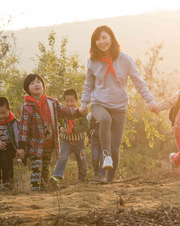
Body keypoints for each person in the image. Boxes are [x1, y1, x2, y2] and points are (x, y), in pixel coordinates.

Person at [79, 25, 158, 183]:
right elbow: (89, 85)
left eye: (104, 37)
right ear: (94, 43)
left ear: (111, 39)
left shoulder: (125, 59)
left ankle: (109, 181)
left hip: (120, 107)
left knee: (115, 149)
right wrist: (84, 103)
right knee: (105, 120)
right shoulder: (92, 61)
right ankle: (105, 157)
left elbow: (138, 82)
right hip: (98, 104)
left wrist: (150, 101)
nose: (101, 42)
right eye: (97, 39)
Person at [17, 74, 84, 192]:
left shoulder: (52, 102)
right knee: (36, 166)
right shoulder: (27, 107)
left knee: (46, 167)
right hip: (35, 144)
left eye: (38, 82)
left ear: (43, 85)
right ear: (28, 89)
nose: (36, 84)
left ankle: (44, 189)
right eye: (32, 83)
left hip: (49, 142)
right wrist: (21, 146)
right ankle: (35, 190)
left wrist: (78, 112)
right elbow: (24, 127)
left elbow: (65, 112)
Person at [52, 89, 88, 183]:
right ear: (64, 101)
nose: (69, 103)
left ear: (76, 101)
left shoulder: (80, 113)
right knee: (62, 157)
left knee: (82, 160)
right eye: (67, 101)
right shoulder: (62, 113)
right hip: (66, 141)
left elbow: (86, 126)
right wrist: (60, 128)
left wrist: (74, 130)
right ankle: (56, 177)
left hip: (79, 142)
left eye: (71, 101)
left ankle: (83, 179)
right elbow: (56, 122)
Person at [87, 113, 106, 182]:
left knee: (102, 158)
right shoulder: (90, 115)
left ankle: (102, 176)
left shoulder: (106, 114)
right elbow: (87, 127)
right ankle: (96, 175)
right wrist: (89, 138)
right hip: (94, 139)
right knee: (94, 158)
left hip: (104, 139)